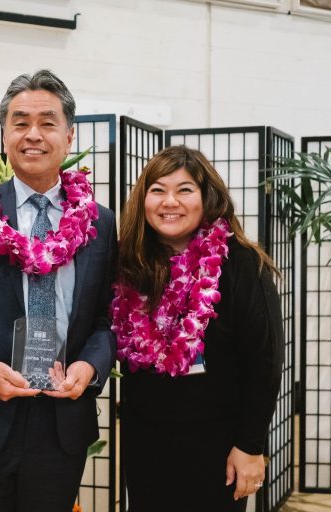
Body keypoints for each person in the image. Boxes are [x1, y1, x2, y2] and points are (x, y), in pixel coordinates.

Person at [0, 69, 118, 512]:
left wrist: (91, 366)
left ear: (69, 137)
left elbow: (109, 316)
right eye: (20, 122)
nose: (33, 134)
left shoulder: (99, 221)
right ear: (4, 136)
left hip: (61, 424)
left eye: (47, 122)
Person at [113, 145, 284, 512]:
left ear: (208, 197)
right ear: (143, 200)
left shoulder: (241, 265)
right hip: (146, 442)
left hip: (218, 446)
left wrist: (250, 446)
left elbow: (265, 362)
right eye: (157, 190)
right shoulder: (129, 265)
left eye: (184, 190)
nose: (169, 202)